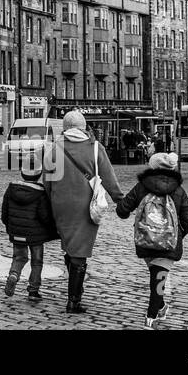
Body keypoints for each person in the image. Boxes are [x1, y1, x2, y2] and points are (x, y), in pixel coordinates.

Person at [43, 111, 124, 314]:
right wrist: (119, 199)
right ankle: (74, 300)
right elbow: (108, 176)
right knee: (79, 250)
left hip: (60, 205)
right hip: (85, 206)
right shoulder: (95, 148)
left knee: (71, 245)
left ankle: (75, 286)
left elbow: (46, 180)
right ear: (84, 127)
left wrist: (52, 201)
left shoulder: (54, 148)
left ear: (64, 127)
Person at [116, 152, 188, 329]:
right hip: (169, 242)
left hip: (146, 239)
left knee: (156, 277)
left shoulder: (141, 187)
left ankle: (157, 309)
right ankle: (151, 316)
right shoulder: (179, 190)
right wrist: (178, 234)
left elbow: (122, 210)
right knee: (159, 278)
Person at [0, 159, 55, 303]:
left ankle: (14, 274)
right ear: (39, 174)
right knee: (37, 262)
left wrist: (10, 228)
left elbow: (4, 213)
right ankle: (33, 291)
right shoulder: (41, 193)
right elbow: (45, 217)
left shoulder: (11, 189)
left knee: (19, 257)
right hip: (35, 236)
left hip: (16, 232)